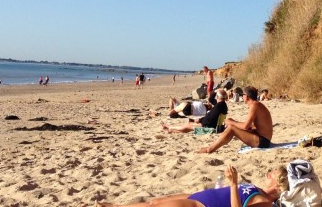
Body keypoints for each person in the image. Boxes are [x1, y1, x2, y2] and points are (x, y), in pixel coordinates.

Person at [97, 164, 287, 207]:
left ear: (278, 187)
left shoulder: (263, 202)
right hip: (197, 195)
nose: (267, 174)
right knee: (153, 202)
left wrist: (234, 183)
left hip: (200, 206)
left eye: (272, 175)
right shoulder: (259, 190)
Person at [197, 86, 273, 154]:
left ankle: (209, 149)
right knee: (231, 125)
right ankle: (212, 146)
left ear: (246, 96)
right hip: (263, 137)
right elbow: (254, 125)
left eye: (243, 95)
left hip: (263, 141)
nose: (242, 97)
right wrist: (233, 122)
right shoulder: (257, 105)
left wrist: (231, 122)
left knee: (231, 128)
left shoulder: (254, 106)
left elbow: (245, 126)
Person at [163, 90, 228, 134]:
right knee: (189, 124)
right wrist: (215, 92)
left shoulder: (218, 107)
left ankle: (169, 127)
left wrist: (199, 120)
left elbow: (209, 119)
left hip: (208, 127)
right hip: (212, 125)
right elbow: (211, 99)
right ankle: (171, 130)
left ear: (217, 97)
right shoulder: (222, 104)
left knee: (188, 126)